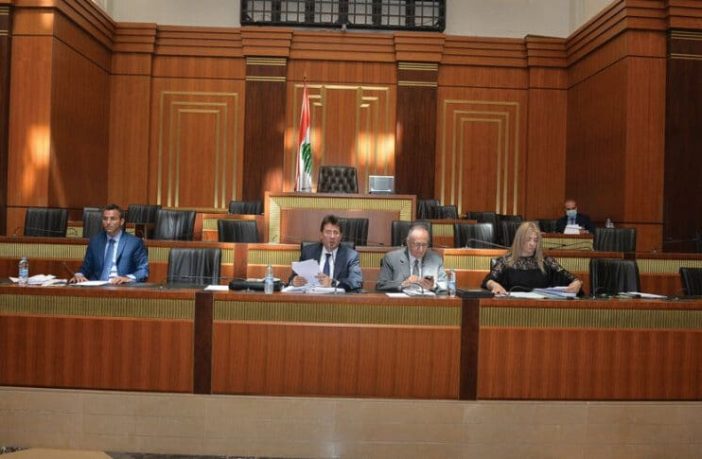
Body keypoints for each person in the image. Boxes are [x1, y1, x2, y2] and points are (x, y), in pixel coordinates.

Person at [482, 221, 582, 296]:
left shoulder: (546, 261)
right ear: (520, 239)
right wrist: (494, 285)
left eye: (535, 240)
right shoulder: (505, 261)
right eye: (528, 239)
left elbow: (571, 278)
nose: (532, 244)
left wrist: (577, 283)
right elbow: (488, 280)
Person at [70, 204, 149, 284]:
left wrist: (127, 278)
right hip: (97, 286)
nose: (108, 222)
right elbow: (86, 267)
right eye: (105, 219)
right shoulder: (95, 241)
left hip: (121, 286)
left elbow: (143, 271)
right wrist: (79, 274)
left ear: (121, 221)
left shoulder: (134, 243)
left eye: (112, 219)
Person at [288, 214, 363, 291]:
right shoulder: (308, 252)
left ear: (341, 236)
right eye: (328, 232)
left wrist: (333, 283)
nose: (332, 236)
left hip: (338, 298)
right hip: (312, 297)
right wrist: (294, 281)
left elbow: (356, 281)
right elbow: (293, 277)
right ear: (321, 235)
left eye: (336, 232)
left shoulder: (351, 256)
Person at [376, 223, 447, 292]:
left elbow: (445, 284)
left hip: (426, 299)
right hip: (401, 299)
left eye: (424, 245)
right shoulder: (391, 258)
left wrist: (433, 286)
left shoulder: (436, 259)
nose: (421, 249)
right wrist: (403, 284)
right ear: (408, 242)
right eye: (417, 244)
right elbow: (382, 284)